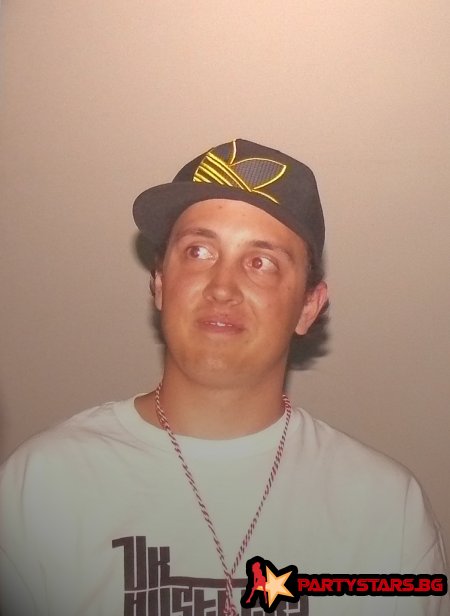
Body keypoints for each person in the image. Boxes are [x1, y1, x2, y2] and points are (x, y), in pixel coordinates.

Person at [1, 139, 448, 616]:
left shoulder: (387, 512)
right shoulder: (42, 486)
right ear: (160, 283)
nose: (222, 287)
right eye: (198, 251)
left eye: (261, 263)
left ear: (308, 306)